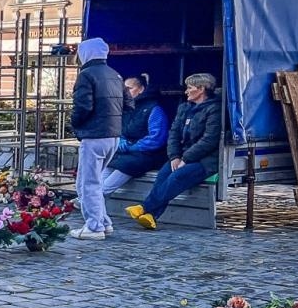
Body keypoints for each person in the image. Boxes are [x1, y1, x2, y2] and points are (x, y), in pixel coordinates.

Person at [128, 73, 222, 230]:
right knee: (163, 175)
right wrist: (175, 156)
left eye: (189, 88)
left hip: (206, 160)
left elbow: (209, 140)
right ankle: (151, 216)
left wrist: (186, 158)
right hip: (183, 155)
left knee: (177, 177)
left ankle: (145, 207)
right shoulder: (184, 108)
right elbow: (174, 134)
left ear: (201, 89)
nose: (186, 91)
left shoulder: (215, 110)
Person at [68, 36, 128, 241]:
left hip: (94, 135)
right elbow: (129, 105)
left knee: (88, 183)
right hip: (113, 135)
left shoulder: (86, 75)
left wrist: (76, 124)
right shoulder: (115, 75)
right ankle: (103, 221)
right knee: (95, 181)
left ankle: (94, 227)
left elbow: (82, 107)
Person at [102, 74, 170, 193]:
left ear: (141, 89)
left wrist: (135, 147)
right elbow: (117, 128)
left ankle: (84, 201)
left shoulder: (154, 109)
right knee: (107, 164)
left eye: (129, 88)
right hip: (125, 152)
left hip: (147, 154)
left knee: (107, 187)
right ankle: (91, 203)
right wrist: (120, 140)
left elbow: (157, 138)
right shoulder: (125, 108)